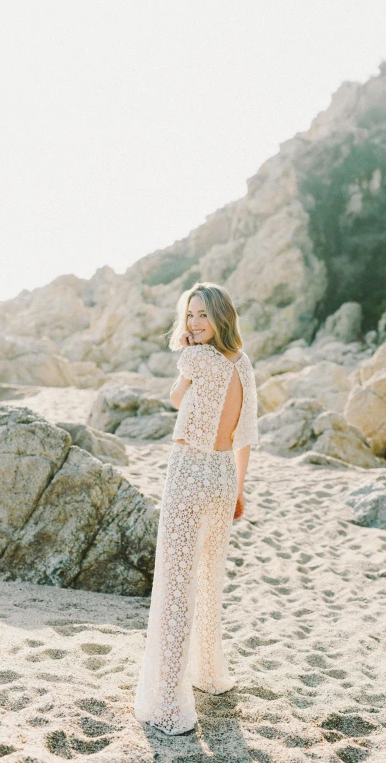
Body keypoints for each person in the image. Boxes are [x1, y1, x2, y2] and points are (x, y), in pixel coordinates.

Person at [134, 281, 259, 735]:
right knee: (208, 578)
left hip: (189, 472)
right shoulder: (243, 364)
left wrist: (186, 350)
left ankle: (169, 703)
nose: (194, 323)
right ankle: (208, 674)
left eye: (203, 314)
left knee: (175, 582)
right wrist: (240, 490)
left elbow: (175, 398)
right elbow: (245, 435)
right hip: (224, 475)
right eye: (189, 315)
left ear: (221, 316)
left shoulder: (194, 357)